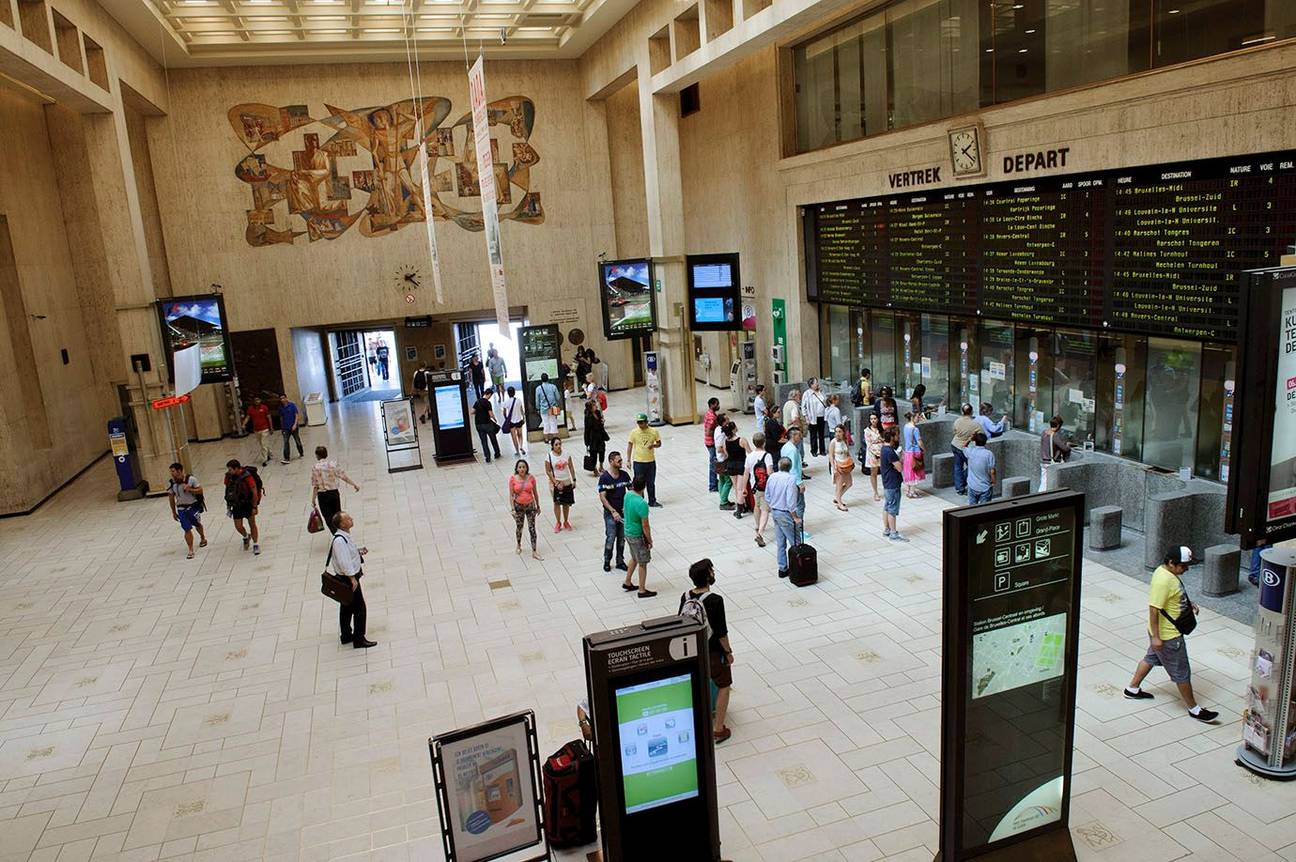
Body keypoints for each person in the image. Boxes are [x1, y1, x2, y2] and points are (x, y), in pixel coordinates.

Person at [1123, 547, 1218, 722]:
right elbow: (1154, 609)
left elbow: (1172, 597)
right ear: (1171, 563)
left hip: (1161, 634)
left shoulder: (1164, 572)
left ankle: (1132, 689)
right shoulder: (1163, 581)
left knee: (1151, 658)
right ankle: (1194, 709)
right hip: (1168, 636)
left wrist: (1188, 603)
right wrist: (1157, 637)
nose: (1187, 569)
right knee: (1182, 673)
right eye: (1183, 566)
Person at [679, 559, 734, 743]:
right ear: (708, 576)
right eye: (711, 570)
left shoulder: (685, 596)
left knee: (697, 685)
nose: (713, 573)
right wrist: (728, 652)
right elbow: (721, 632)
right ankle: (718, 729)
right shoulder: (715, 600)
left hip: (691, 650)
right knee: (724, 685)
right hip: (712, 652)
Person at [329, 512, 376, 649]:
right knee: (360, 608)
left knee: (347, 606)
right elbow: (344, 562)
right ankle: (359, 639)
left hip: (348, 578)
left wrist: (358, 551)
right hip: (348, 579)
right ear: (342, 524)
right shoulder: (339, 541)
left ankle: (346, 635)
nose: (351, 519)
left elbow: (347, 554)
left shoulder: (344, 537)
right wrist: (352, 579)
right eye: (348, 518)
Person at [765, 457, 802, 579]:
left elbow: (767, 495)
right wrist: (795, 517)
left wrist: (773, 506)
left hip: (775, 512)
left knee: (780, 543)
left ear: (779, 465)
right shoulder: (791, 479)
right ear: (790, 467)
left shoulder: (772, 477)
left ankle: (782, 568)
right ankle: (798, 568)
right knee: (796, 542)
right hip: (785, 514)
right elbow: (791, 501)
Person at [621, 475, 656, 597]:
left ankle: (627, 581)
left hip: (627, 531)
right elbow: (645, 525)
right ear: (644, 487)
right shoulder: (642, 503)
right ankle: (642, 590)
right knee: (642, 562)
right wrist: (649, 540)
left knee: (634, 557)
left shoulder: (627, 495)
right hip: (637, 535)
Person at [311, 446, 359, 535]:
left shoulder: (315, 467)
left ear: (317, 455)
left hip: (322, 496)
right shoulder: (333, 464)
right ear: (326, 454)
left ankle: (335, 533)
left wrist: (313, 500)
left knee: (327, 516)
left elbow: (315, 485)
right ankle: (343, 532)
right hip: (334, 493)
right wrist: (354, 484)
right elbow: (343, 476)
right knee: (337, 515)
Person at [597, 451, 631, 572]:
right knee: (611, 537)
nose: (621, 462)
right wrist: (613, 511)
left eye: (621, 460)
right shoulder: (604, 478)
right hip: (610, 514)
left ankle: (620, 561)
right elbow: (602, 497)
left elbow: (631, 492)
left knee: (622, 537)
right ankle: (607, 561)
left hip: (623, 513)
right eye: (619, 461)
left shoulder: (624, 475)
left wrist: (628, 507)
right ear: (611, 462)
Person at [167, 462, 207, 559]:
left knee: (197, 524)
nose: (172, 473)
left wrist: (190, 489)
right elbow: (171, 498)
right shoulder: (172, 483)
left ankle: (202, 537)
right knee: (186, 528)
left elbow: (200, 490)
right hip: (181, 508)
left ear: (179, 471)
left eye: (173, 471)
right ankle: (190, 549)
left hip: (193, 506)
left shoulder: (191, 479)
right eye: (171, 471)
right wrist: (173, 512)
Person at [223, 459, 262, 554]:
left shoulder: (247, 477)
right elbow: (228, 490)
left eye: (230, 469)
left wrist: (254, 507)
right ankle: (246, 536)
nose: (229, 471)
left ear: (236, 468)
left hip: (248, 504)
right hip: (236, 505)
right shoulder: (229, 477)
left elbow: (254, 492)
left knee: (252, 524)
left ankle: (256, 544)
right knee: (238, 526)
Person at [744, 432, 774, 547]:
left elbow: (746, 473)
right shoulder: (767, 456)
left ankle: (757, 525)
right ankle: (760, 534)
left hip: (754, 486)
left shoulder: (750, 456)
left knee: (757, 506)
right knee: (765, 509)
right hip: (764, 486)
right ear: (764, 442)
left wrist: (744, 488)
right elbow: (769, 472)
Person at [626, 412, 662, 507]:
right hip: (638, 461)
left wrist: (653, 445)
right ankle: (640, 501)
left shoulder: (654, 431)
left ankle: (652, 501)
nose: (640, 424)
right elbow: (630, 446)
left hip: (650, 461)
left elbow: (659, 443)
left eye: (642, 422)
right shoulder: (634, 432)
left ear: (646, 422)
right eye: (638, 422)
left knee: (651, 482)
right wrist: (628, 460)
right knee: (639, 483)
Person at [508, 460, 542, 559]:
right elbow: (511, 495)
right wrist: (512, 509)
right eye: (520, 467)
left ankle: (534, 551)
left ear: (526, 468)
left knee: (532, 528)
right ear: (517, 469)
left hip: (530, 505)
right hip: (518, 506)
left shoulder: (531, 478)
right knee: (519, 527)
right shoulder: (513, 479)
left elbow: (535, 492)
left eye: (524, 467)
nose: (522, 469)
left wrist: (538, 505)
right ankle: (518, 544)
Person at [780, 427, 809, 538]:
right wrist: (799, 483)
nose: (800, 437)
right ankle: (799, 529)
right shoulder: (793, 450)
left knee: (792, 504)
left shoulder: (785, 447)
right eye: (799, 435)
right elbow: (793, 469)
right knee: (800, 505)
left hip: (786, 479)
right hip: (793, 482)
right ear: (793, 436)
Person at [880, 428, 906, 541]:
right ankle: (893, 533)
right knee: (892, 509)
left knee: (887, 506)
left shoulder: (883, 449)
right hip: (893, 483)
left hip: (887, 481)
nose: (898, 437)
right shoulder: (890, 451)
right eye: (896, 435)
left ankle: (887, 529)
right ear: (891, 437)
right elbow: (899, 468)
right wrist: (901, 458)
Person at [544, 438, 576, 532]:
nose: (558, 446)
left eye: (559, 444)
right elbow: (548, 471)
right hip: (556, 482)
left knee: (566, 503)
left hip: (566, 481)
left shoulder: (566, 454)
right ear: (552, 446)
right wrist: (556, 482)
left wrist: (574, 479)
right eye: (556, 444)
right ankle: (558, 522)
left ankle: (566, 521)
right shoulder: (549, 456)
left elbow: (571, 467)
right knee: (557, 502)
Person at [720, 420, 749, 515]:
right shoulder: (742, 440)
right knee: (741, 488)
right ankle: (739, 510)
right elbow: (749, 452)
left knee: (736, 487)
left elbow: (727, 454)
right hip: (741, 465)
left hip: (731, 465)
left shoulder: (725, 442)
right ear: (733, 430)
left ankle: (741, 505)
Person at [951, 403, 980, 497]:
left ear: (962, 412)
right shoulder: (975, 424)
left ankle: (959, 488)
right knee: (971, 466)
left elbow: (954, 431)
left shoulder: (957, 421)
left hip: (955, 444)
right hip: (965, 448)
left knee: (958, 466)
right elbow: (982, 435)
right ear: (972, 412)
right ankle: (962, 483)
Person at [1040, 414, 1073, 489]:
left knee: (1043, 483)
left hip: (1043, 461)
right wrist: (1068, 445)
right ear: (1058, 426)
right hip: (1051, 463)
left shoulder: (1044, 432)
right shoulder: (1054, 435)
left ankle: (1039, 495)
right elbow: (1065, 449)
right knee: (1050, 485)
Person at [828, 423, 854, 511]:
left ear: (843, 432)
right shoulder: (833, 442)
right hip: (838, 465)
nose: (837, 433)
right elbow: (831, 456)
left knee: (849, 483)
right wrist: (833, 468)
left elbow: (847, 452)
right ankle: (839, 503)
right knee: (839, 484)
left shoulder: (845, 440)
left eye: (839, 431)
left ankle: (837, 497)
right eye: (836, 432)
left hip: (846, 464)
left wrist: (850, 460)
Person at [965, 432, 996, 505]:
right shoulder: (989, 454)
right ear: (985, 442)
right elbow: (992, 471)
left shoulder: (970, 451)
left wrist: (969, 440)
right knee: (985, 508)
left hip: (972, 485)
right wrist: (993, 482)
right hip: (985, 486)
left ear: (975, 442)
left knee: (972, 507)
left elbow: (964, 446)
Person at [472, 387, 502, 463]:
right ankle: (497, 453)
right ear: (489, 394)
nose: (490, 397)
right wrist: (495, 419)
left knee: (484, 442)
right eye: (490, 396)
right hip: (487, 424)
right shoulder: (487, 403)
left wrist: (478, 412)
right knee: (493, 439)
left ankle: (487, 458)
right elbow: (490, 414)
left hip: (478, 424)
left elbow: (472, 412)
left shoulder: (477, 402)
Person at [901, 411, 925, 498]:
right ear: (912, 417)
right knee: (915, 471)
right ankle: (912, 492)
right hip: (915, 452)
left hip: (907, 452)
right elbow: (919, 441)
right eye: (917, 417)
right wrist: (924, 449)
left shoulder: (905, 426)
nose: (919, 418)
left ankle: (908, 490)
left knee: (908, 471)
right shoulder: (915, 429)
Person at [801, 378, 827, 458]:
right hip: (812, 417)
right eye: (816, 383)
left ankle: (822, 450)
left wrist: (822, 393)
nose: (817, 384)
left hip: (822, 416)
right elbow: (803, 406)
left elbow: (825, 401)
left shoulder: (821, 392)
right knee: (813, 434)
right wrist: (806, 417)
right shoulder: (807, 394)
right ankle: (814, 450)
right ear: (811, 385)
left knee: (821, 434)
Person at [862, 412, 884, 501]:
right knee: (873, 472)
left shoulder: (881, 429)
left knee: (884, 471)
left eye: (875, 418)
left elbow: (884, 440)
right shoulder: (867, 430)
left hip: (882, 452)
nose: (873, 420)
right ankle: (875, 492)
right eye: (871, 419)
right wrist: (876, 453)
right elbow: (869, 444)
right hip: (872, 454)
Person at [535, 373, 562, 442]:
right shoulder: (553, 387)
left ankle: (546, 439)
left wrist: (538, 408)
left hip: (543, 409)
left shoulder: (538, 388)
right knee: (553, 423)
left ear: (541, 379)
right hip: (553, 408)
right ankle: (555, 439)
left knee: (545, 424)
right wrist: (556, 404)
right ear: (548, 378)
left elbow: (537, 400)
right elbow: (558, 397)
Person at [584, 400, 609, 475]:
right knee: (593, 454)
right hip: (593, 437)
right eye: (594, 405)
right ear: (590, 407)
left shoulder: (598, 412)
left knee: (602, 451)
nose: (596, 406)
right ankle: (594, 468)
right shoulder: (588, 416)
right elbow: (587, 429)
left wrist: (602, 422)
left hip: (600, 435)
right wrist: (587, 441)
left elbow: (601, 423)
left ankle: (601, 466)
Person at [246, 397, 272, 467]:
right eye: (255, 400)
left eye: (258, 400)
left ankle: (264, 460)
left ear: (260, 400)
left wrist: (271, 428)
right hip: (256, 430)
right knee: (262, 444)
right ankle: (269, 453)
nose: (257, 401)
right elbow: (248, 417)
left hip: (265, 429)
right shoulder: (250, 409)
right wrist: (244, 424)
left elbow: (269, 417)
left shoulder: (264, 408)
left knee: (263, 444)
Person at [501, 386, 527, 456]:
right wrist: (524, 417)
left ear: (508, 393)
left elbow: (504, 413)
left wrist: (506, 418)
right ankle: (521, 446)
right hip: (519, 420)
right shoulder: (518, 400)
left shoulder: (506, 402)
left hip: (511, 422)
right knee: (520, 435)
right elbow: (522, 410)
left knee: (514, 437)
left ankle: (517, 451)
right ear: (514, 392)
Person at [279, 394, 304, 464]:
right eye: (281, 399)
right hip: (285, 428)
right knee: (286, 442)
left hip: (293, 427)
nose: (282, 400)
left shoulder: (292, 405)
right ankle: (286, 458)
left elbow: (296, 415)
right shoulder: (280, 408)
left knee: (297, 440)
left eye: (283, 398)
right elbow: (281, 418)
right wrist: (282, 428)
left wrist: (295, 424)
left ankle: (301, 452)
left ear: (286, 398)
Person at [702, 397, 721, 493]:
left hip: (708, 442)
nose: (718, 406)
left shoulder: (709, 413)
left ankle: (714, 482)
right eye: (717, 404)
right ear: (712, 405)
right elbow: (709, 432)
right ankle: (713, 485)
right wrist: (718, 430)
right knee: (714, 464)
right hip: (711, 442)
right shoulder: (712, 417)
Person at [782, 388, 804, 462]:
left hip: (787, 429)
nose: (800, 397)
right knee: (797, 449)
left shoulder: (786, 404)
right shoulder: (794, 405)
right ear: (794, 396)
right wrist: (800, 428)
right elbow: (795, 418)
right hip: (794, 430)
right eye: (798, 396)